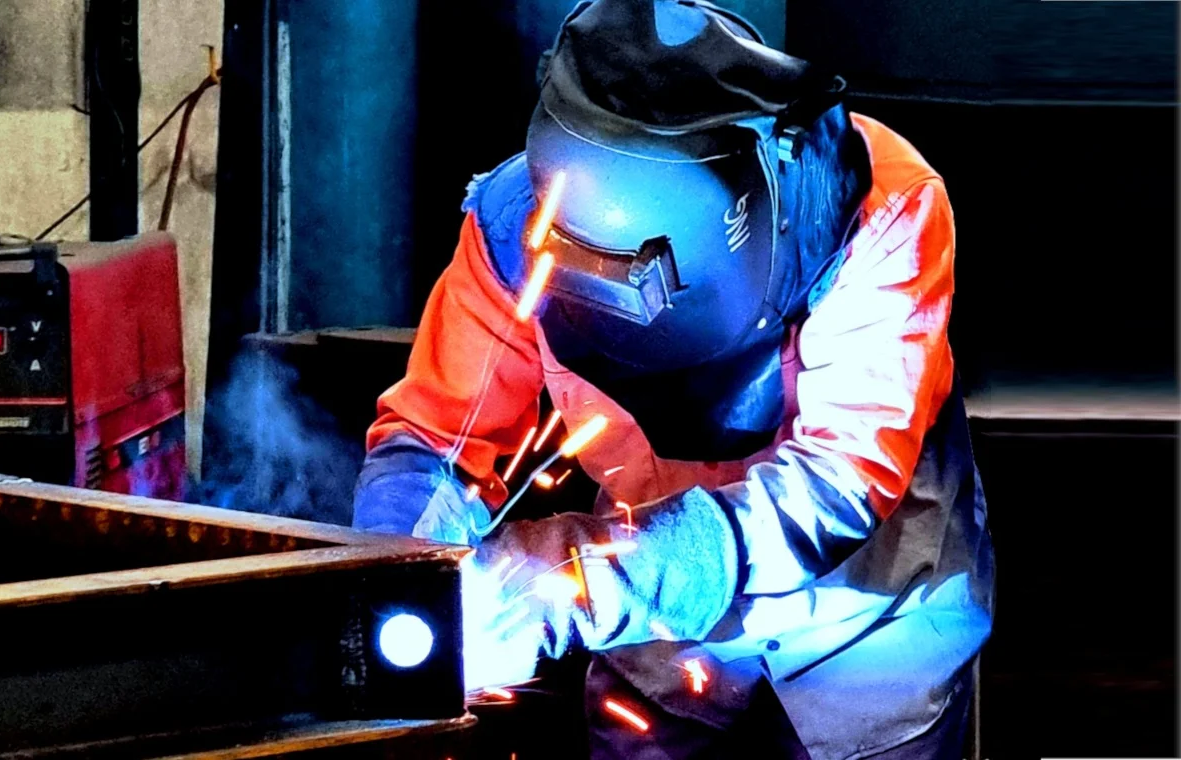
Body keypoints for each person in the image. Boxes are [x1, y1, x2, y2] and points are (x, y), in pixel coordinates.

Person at [353, 1, 994, 758]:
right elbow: (437, 434)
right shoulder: (517, 230)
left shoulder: (882, 209)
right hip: (656, 625)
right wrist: (402, 575)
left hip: (865, 616)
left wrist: (577, 580)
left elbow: (838, 482)